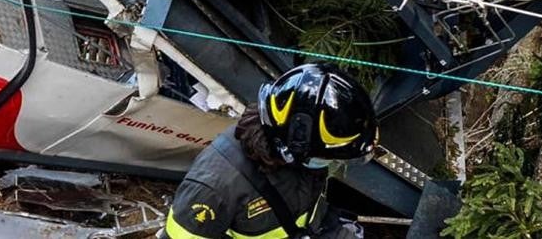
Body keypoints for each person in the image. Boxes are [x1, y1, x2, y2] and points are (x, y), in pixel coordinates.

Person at [160, 63, 379, 239]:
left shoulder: (298, 156)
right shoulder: (215, 187)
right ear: (295, 146)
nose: (332, 164)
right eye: (330, 158)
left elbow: (308, 212)